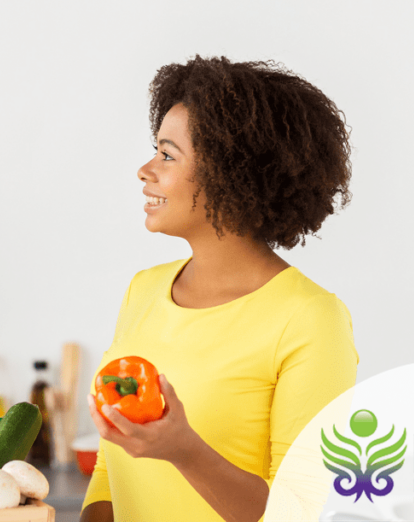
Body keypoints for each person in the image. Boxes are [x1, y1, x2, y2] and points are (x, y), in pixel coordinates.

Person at [80, 56, 359, 522]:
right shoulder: (143, 291)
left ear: (232, 173)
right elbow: (111, 467)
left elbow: (303, 511)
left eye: (168, 155)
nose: (145, 170)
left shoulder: (311, 318)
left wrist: (184, 450)